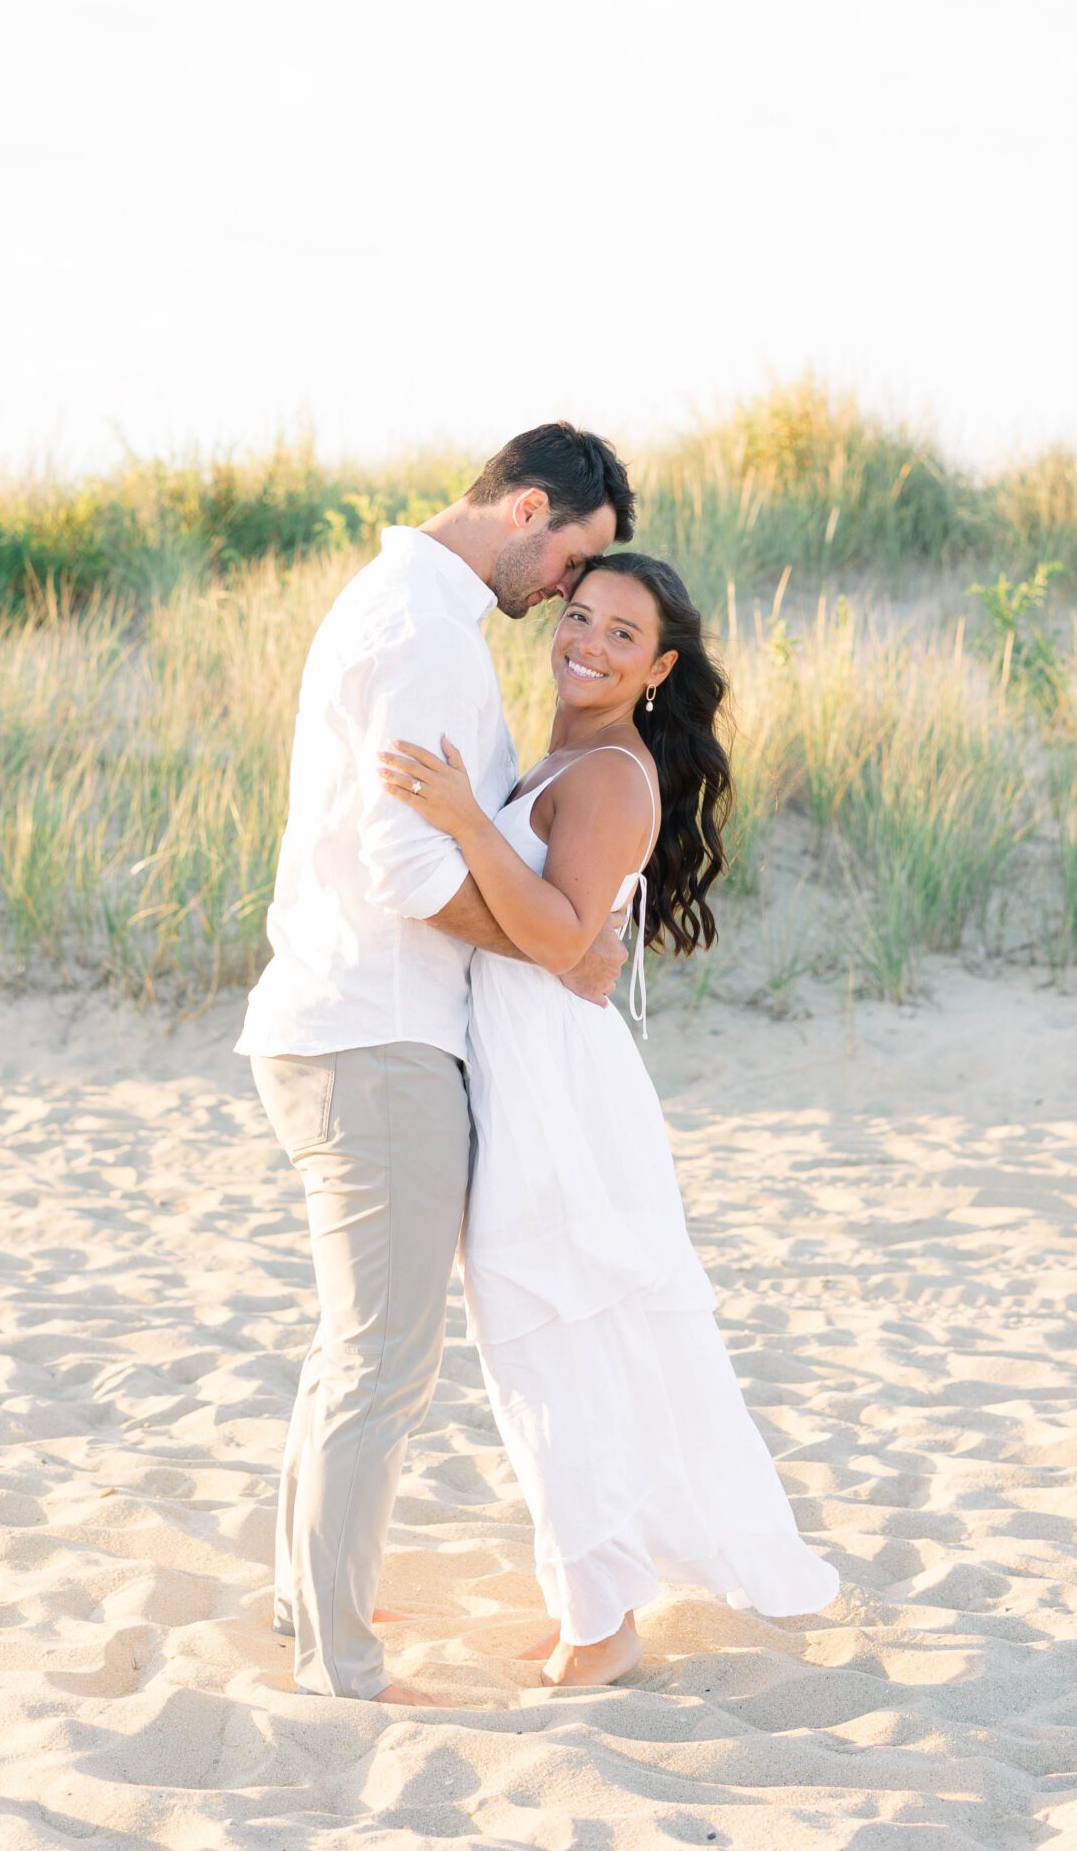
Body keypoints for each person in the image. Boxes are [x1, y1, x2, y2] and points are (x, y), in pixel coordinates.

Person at [380, 551, 839, 1688]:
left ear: (659, 665)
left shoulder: (615, 775)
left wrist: (462, 820)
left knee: (547, 1331)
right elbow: (576, 945)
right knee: (545, 1334)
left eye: (621, 634)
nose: (586, 641)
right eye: (578, 616)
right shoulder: (574, 757)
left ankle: (602, 1620)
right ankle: (597, 1590)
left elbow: (558, 933)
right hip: (530, 1064)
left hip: (558, 1088)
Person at [236, 423, 636, 1704]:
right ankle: (337, 1663)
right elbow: (413, 874)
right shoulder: (422, 631)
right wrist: (555, 940)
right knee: (383, 1361)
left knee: (354, 1346)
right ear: (527, 509)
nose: (567, 592)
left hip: (357, 1022)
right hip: (378, 1033)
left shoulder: (411, 607)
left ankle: (307, 1599)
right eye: (574, 556)